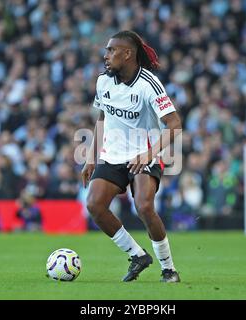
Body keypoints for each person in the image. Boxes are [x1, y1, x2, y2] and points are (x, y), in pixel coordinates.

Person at [81, 30, 182, 282]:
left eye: (111, 50)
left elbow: (175, 124)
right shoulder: (103, 81)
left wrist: (149, 153)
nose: (106, 55)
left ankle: (168, 268)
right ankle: (137, 255)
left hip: (143, 153)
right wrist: (91, 157)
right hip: (113, 154)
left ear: (127, 54)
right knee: (94, 204)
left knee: (145, 207)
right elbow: (102, 118)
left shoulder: (148, 84)